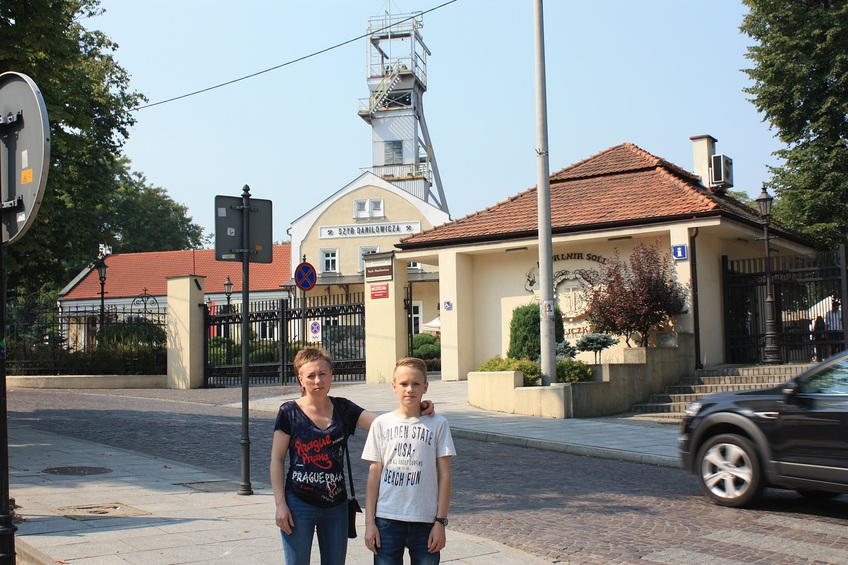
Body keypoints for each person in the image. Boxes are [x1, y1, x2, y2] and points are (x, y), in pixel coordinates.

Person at [270, 348, 434, 565]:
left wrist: (416, 408)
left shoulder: (343, 408)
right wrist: (281, 505)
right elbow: (277, 459)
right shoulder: (289, 412)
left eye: (323, 374)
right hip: (298, 503)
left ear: (331, 375)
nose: (317, 380)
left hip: (336, 505)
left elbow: (382, 423)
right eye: (310, 375)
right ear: (300, 379)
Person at [362, 357, 456, 565]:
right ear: (394, 386)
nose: (409, 389)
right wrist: (370, 523)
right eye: (403, 384)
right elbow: (373, 474)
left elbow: (445, 475)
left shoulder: (438, 424)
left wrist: (440, 522)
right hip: (387, 519)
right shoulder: (381, 424)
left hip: (426, 521)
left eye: (415, 384)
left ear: (425, 386)